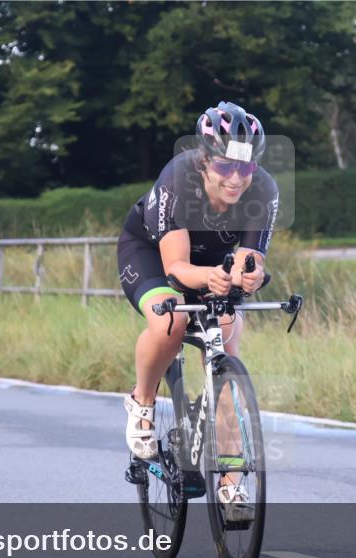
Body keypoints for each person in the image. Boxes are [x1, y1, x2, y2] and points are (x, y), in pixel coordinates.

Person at [116, 101, 278, 510]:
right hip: (153, 256)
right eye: (225, 167)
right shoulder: (178, 179)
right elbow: (175, 267)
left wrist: (251, 273)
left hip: (211, 264)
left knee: (226, 336)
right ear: (204, 161)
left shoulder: (264, 189)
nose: (237, 178)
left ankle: (231, 480)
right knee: (169, 320)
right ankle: (143, 402)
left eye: (246, 168)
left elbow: (250, 255)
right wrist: (209, 278)